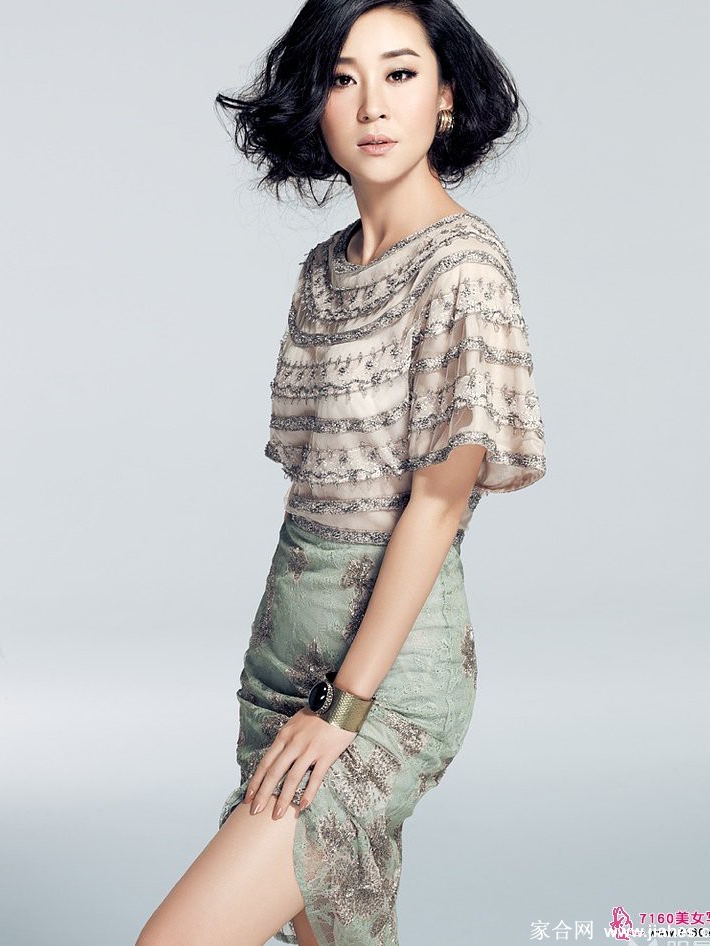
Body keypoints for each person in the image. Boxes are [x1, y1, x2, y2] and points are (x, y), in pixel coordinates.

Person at [135, 1, 546, 944]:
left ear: (446, 96)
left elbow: (435, 509)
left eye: (400, 73)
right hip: (284, 653)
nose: (372, 106)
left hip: (380, 679)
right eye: (341, 78)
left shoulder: (465, 268)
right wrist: (301, 690)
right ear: (313, 103)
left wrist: (343, 708)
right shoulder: (323, 270)